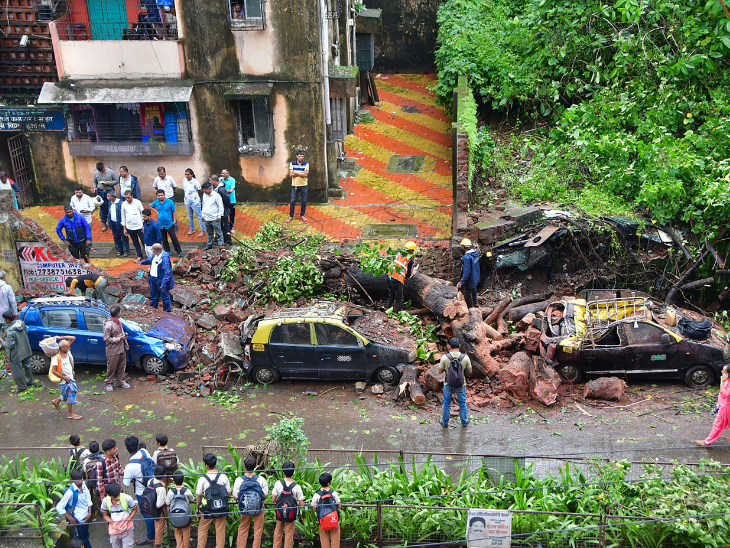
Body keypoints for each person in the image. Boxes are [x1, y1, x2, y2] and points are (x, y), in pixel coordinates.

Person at [122, 436, 156, 545]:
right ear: (138, 446)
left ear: (127, 449)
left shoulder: (130, 467)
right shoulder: (144, 451)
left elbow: (126, 483)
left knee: (147, 515)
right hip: (154, 487)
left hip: (142, 493)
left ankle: (150, 536)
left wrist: (134, 479)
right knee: (156, 511)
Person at [196, 453, 231, 548]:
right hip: (221, 508)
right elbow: (229, 494)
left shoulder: (202, 479)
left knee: (202, 529)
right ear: (215, 463)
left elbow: (199, 496)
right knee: (220, 529)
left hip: (207, 508)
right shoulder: (223, 477)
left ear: (206, 465)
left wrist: (197, 509)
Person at [232, 455, 268, 548]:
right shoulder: (261, 479)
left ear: (244, 466)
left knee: (243, 528)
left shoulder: (239, 480)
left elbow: (235, 496)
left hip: (245, 507)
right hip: (259, 507)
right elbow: (265, 495)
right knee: (258, 529)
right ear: (256, 465)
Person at [438, 338, 472, 428]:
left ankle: (445, 423)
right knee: (462, 403)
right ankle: (464, 422)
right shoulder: (465, 357)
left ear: (449, 346)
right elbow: (470, 372)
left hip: (448, 383)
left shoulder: (445, 357)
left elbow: (439, 371)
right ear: (459, 346)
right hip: (461, 384)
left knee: (446, 403)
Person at [56, 469, 93, 548]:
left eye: (81, 479)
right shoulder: (70, 492)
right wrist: (71, 518)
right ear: (72, 480)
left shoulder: (83, 485)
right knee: (82, 540)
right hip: (79, 520)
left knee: (85, 537)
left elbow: (88, 499)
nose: (80, 482)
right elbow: (59, 507)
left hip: (86, 517)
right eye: (77, 480)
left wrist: (89, 513)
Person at [272, 461, 304, 548]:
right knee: (289, 533)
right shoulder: (297, 486)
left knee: (278, 531)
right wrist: (296, 502)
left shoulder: (278, 483)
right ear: (293, 472)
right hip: (291, 513)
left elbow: (273, 499)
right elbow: (301, 503)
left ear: (283, 472)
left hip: (280, 512)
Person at [0, 310, 33, 393]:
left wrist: (1, 341)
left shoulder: (10, 331)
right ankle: (30, 381)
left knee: (17, 372)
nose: (4, 320)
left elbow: (9, 345)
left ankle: (22, 387)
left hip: (16, 354)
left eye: (4, 319)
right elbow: (26, 332)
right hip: (25, 348)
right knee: (27, 366)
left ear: (7, 320)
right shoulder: (21, 323)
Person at [50, 335, 82, 420]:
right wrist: (65, 377)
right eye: (67, 347)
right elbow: (54, 371)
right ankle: (70, 414)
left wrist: (61, 337)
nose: (69, 348)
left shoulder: (67, 351)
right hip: (64, 380)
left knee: (67, 394)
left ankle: (56, 401)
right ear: (62, 348)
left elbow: (73, 338)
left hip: (70, 377)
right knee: (70, 394)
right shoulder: (56, 356)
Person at [697, 366, 730, 446]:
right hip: (723, 405)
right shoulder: (727, 380)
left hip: (726, 407)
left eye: (724, 371)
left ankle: (707, 442)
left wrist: (722, 382)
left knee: (718, 424)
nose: (722, 371)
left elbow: (725, 395)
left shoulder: (727, 382)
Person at [100, 482, 138, 548]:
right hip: (114, 531)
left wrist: (126, 522)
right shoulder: (105, 501)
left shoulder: (127, 498)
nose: (118, 497)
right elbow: (105, 515)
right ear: (109, 495)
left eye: (118, 495)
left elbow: (135, 509)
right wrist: (112, 523)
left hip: (127, 530)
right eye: (115, 496)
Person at [140, 243, 174, 312]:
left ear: (155, 250)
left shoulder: (164, 259)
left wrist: (164, 283)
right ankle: (153, 310)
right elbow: (150, 260)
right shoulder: (155, 256)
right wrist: (143, 262)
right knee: (153, 296)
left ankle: (167, 311)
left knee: (165, 297)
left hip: (160, 280)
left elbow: (167, 272)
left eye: (152, 249)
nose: (151, 250)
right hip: (153, 279)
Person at [103, 306, 129, 392]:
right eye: (120, 311)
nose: (121, 313)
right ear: (118, 313)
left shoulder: (118, 322)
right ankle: (108, 383)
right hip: (113, 350)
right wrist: (119, 339)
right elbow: (106, 339)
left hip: (121, 348)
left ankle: (121, 381)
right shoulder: (108, 325)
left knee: (122, 366)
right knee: (111, 367)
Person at [387, 241, 418, 312]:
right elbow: (408, 273)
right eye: (412, 251)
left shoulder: (398, 252)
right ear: (411, 251)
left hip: (389, 276)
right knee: (399, 298)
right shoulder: (410, 259)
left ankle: (388, 310)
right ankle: (398, 313)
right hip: (397, 280)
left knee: (391, 295)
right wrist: (408, 276)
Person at [311, 472, 341, 548]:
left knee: (324, 540)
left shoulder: (317, 495)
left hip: (323, 520)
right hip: (333, 519)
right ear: (329, 483)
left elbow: (314, 508)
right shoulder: (333, 493)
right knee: (335, 539)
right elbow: (339, 505)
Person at [150, 189, 183, 257]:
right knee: (164, 239)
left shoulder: (170, 202)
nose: (160, 196)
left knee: (173, 238)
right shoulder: (156, 202)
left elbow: (174, 212)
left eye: (161, 195)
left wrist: (174, 221)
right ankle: (167, 252)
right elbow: (151, 206)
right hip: (160, 224)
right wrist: (156, 211)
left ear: (164, 195)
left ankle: (179, 251)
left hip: (169, 224)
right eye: (159, 195)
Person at [166, 472, 194, 548]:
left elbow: (167, 503)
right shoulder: (187, 490)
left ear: (173, 481)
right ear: (183, 479)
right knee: (186, 531)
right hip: (185, 515)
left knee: (177, 531)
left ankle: (179, 546)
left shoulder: (171, 491)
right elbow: (192, 498)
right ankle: (186, 546)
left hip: (175, 515)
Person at [93, 162, 119, 232]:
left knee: (111, 207)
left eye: (102, 170)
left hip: (109, 191)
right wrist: (94, 187)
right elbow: (94, 181)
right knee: (102, 208)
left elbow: (117, 180)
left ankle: (111, 223)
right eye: (100, 171)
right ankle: (104, 223)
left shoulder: (111, 172)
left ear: (104, 167)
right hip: (100, 192)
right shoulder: (95, 173)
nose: (101, 172)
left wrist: (108, 183)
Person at [70, 186, 97, 252]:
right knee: (79, 232)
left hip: (86, 218)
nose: (78, 194)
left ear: (82, 191)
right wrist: (73, 209)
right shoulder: (73, 198)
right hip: (77, 219)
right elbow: (71, 206)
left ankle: (90, 246)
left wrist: (87, 210)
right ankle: (82, 246)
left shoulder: (87, 198)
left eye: (79, 192)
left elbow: (92, 207)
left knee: (88, 232)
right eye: (77, 192)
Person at [456, 238, 481, 309]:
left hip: (470, 279)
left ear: (464, 247)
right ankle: (475, 303)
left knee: (467, 296)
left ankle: (471, 309)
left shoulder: (466, 258)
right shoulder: (476, 254)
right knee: (474, 290)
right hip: (476, 277)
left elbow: (466, 272)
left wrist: (461, 282)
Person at [121, 190, 145, 262]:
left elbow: (142, 213)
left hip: (139, 225)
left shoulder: (137, 202)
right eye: (126, 198)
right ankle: (139, 255)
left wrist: (143, 225)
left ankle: (149, 255)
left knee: (144, 241)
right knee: (135, 242)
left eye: (128, 197)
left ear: (132, 196)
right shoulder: (123, 204)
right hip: (130, 226)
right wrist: (124, 228)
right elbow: (123, 216)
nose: (127, 199)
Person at [201, 182, 224, 250]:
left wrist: (219, 216)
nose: (204, 191)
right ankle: (209, 244)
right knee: (209, 233)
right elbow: (204, 205)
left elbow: (220, 206)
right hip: (206, 218)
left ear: (210, 189)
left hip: (215, 218)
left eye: (205, 189)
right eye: (204, 189)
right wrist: (203, 215)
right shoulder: (204, 195)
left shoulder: (216, 195)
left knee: (218, 232)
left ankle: (221, 245)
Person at [287, 151, 309, 223]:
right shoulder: (292, 163)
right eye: (299, 156)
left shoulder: (306, 164)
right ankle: (291, 216)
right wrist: (301, 173)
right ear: (297, 156)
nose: (301, 158)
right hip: (295, 185)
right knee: (292, 201)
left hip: (304, 185)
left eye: (302, 156)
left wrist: (295, 172)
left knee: (304, 201)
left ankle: (302, 215)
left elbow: (305, 174)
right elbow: (291, 175)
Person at [149, 465, 168, 548]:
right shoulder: (161, 488)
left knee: (157, 525)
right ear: (164, 475)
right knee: (159, 526)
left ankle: (160, 541)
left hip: (150, 506)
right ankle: (158, 544)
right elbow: (159, 504)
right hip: (158, 510)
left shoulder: (150, 481)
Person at [183, 169, 205, 237]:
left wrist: (195, 197)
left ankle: (203, 230)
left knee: (199, 216)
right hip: (187, 201)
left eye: (188, 174)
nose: (187, 176)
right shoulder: (184, 180)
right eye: (186, 174)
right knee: (190, 216)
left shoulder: (195, 182)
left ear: (191, 174)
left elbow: (199, 190)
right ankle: (192, 229)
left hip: (195, 202)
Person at [212, 175, 232, 245]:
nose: (209, 182)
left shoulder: (221, 189)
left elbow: (227, 200)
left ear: (214, 181)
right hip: (218, 210)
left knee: (225, 225)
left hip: (224, 210)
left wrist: (226, 208)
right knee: (219, 225)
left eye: (210, 181)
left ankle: (227, 241)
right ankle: (219, 238)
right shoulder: (214, 188)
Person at [107, 192, 129, 257]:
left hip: (120, 223)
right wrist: (109, 223)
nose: (107, 198)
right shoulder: (110, 203)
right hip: (113, 223)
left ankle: (126, 250)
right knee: (116, 237)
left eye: (109, 196)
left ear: (113, 196)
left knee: (124, 237)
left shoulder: (121, 203)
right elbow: (109, 214)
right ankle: (119, 250)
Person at [221, 169, 237, 234]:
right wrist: (219, 180)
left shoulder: (232, 180)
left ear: (228, 174)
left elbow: (231, 190)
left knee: (231, 214)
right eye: (222, 173)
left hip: (231, 200)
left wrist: (223, 191)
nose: (222, 175)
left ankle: (231, 227)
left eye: (224, 173)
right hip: (222, 200)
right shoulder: (220, 179)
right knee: (223, 214)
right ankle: (223, 227)